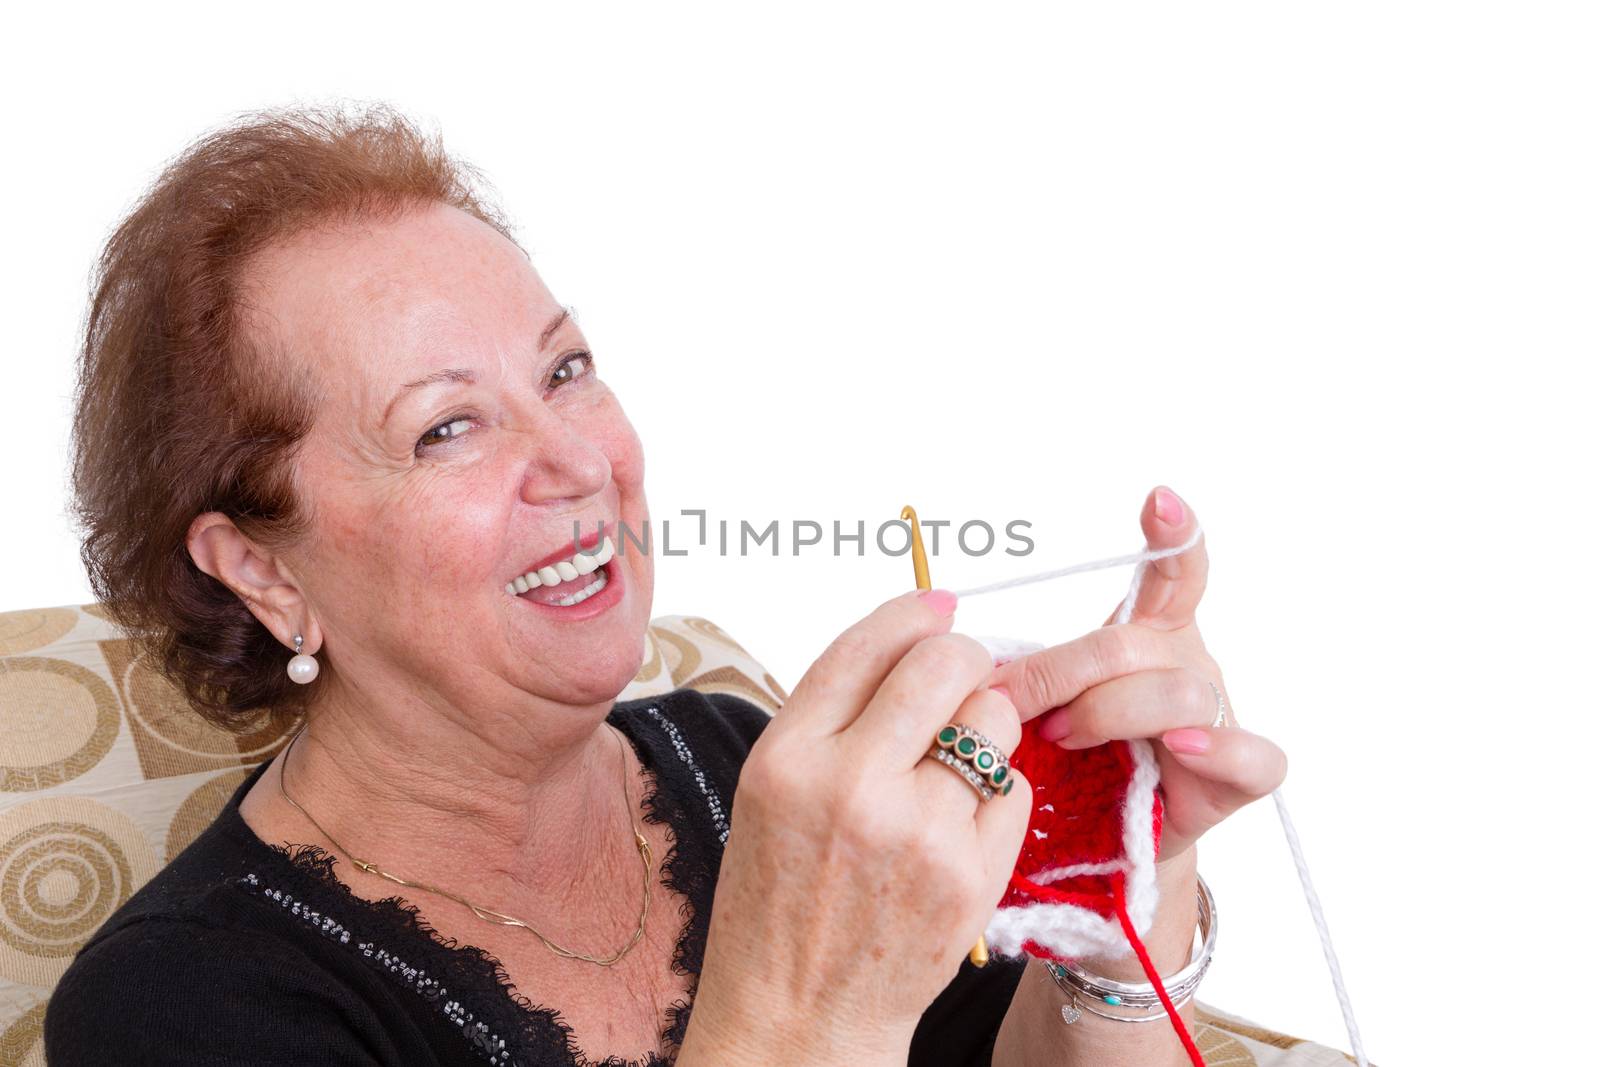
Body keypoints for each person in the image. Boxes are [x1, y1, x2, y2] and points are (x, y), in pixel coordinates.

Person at [44, 103, 1287, 1067]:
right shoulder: (177, 1004)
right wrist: (796, 1007)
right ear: (261, 568)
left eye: (567, 367)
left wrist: (1121, 881)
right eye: (446, 429)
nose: (582, 459)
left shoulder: (731, 755)